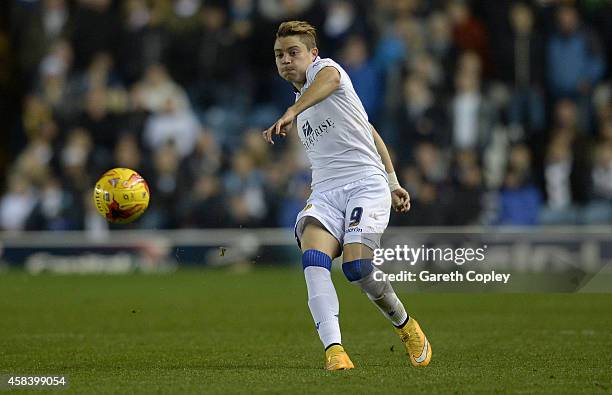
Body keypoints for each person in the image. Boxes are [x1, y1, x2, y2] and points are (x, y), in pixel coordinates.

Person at [263, 21, 432, 370]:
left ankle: (405, 324)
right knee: (313, 259)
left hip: (364, 185)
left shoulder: (328, 72)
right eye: (280, 54)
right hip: (325, 192)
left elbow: (329, 82)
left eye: (293, 52)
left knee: (356, 267)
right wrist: (395, 180)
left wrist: (388, 183)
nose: (286, 60)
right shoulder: (301, 101)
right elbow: (370, 131)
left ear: (313, 54)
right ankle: (334, 351)